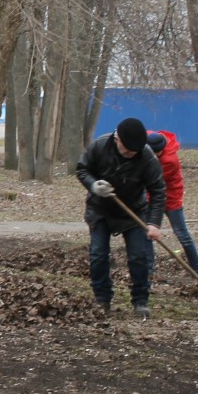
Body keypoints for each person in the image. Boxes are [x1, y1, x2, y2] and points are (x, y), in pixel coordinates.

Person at [75, 117, 167, 320]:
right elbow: (82, 169)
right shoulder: (100, 146)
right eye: (128, 150)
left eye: (135, 151)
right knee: (98, 254)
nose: (131, 154)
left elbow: (158, 191)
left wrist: (153, 223)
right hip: (100, 210)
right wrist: (93, 185)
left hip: (133, 213)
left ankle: (140, 300)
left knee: (138, 256)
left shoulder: (147, 156)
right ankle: (102, 298)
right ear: (117, 139)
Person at [146, 130, 198, 280]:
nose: (155, 156)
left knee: (182, 234)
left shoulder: (169, 160)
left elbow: (151, 181)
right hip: (150, 196)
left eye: (157, 153)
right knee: (146, 233)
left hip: (171, 197)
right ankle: (149, 272)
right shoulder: (149, 137)